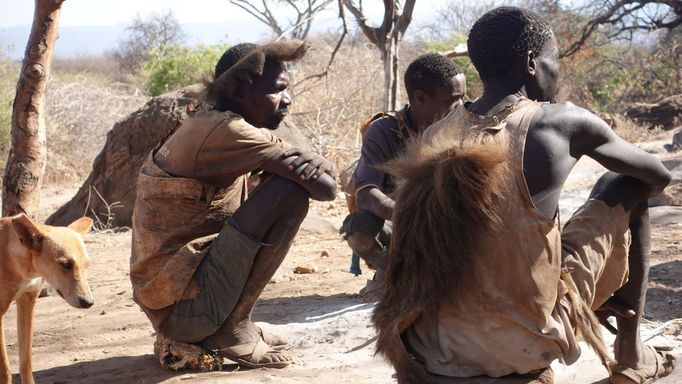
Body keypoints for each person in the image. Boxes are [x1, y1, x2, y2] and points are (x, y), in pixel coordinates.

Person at [372, 6, 675, 384]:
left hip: (430, 350)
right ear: (532, 63)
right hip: (515, 348)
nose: (557, 72)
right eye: (555, 60)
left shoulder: (436, 133)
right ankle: (631, 354)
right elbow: (657, 176)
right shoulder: (559, 121)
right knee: (623, 185)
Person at [130, 40, 337, 369]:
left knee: (280, 183)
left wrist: (313, 165)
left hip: (172, 305)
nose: (288, 99)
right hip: (186, 314)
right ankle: (233, 328)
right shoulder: (229, 131)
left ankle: (237, 322)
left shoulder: (205, 120)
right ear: (240, 89)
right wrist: (316, 164)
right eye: (279, 89)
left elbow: (326, 181)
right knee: (288, 191)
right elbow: (326, 188)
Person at [341, 53, 466, 299]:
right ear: (420, 98)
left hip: (452, 228)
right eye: (453, 100)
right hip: (402, 227)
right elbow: (366, 193)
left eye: (463, 99)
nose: (461, 108)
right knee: (360, 227)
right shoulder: (384, 130)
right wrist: (412, 214)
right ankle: (392, 274)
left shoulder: (465, 125)